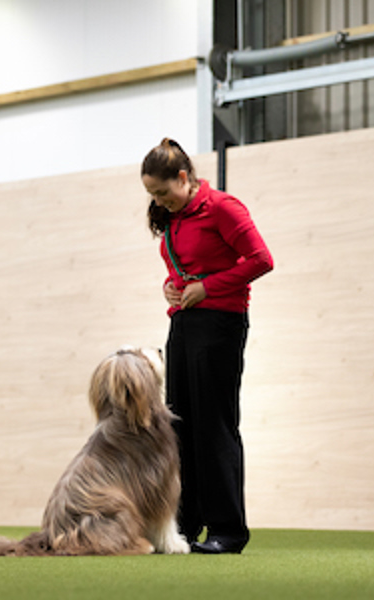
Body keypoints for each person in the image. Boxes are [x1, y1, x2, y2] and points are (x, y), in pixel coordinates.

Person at [141, 138, 273, 554]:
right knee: (180, 426)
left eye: (162, 192)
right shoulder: (174, 216)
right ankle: (184, 526)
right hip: (183, 324)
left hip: (220, 324)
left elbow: (260, 260)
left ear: (183, 177)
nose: (158, 202)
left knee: (214, 427)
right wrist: (172, 287)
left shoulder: (223, 208)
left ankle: (227, 530)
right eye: (151, 195)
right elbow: (184, 266)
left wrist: (208, 287)